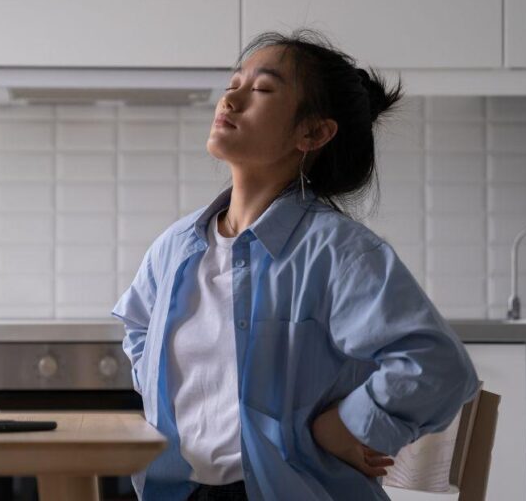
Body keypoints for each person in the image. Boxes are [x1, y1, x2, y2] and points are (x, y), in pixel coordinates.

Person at [111, 29, 479, 501]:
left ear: (312, 132)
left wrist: (347, 424)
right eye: (234, 83)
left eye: (262, 89)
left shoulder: (337, 252)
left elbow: (438, 365)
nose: (232, 98)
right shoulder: (175, 248)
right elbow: (138, 328)